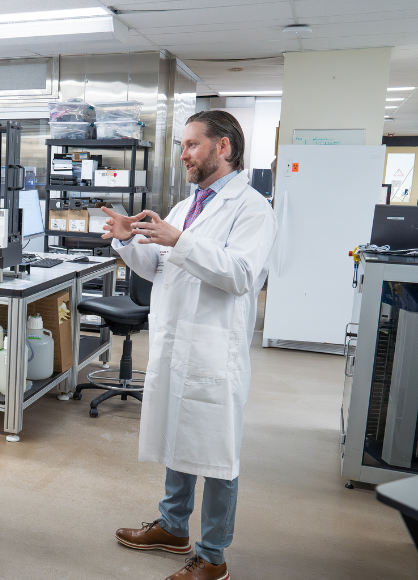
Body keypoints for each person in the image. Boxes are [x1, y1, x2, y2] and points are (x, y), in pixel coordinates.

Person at [102, 110, 277, 580]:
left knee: (217, 453)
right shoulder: (187, 206)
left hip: (214, 350)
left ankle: (213, 555)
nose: (183, 154)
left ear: (224, 147)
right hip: (176, 342)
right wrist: (126, 242)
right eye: (182, 145)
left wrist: (179, 241)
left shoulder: (252, 208)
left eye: (192, 145)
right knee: (178, 435)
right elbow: (160, 268)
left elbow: (241, 275)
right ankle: (174, 526)